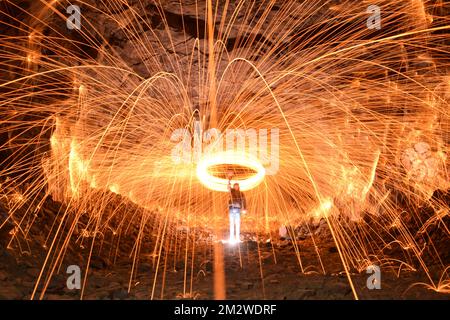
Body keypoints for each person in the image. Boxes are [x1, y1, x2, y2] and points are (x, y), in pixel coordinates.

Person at [227, 174, 247, 242]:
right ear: (234, 187)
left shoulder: (241, 193)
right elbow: (228, 186)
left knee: (237, 224)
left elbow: (244, 201)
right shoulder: (231, 192)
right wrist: (229, 179)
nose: (236, 187)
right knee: (232, 224)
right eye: (235, 186)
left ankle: (237, 238)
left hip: (238, 210)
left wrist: (244, 208)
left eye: (237, 186)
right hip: (231, 209)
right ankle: (231, 238)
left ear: (238, 187)